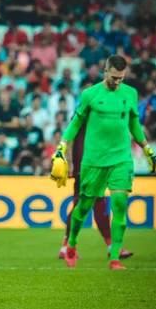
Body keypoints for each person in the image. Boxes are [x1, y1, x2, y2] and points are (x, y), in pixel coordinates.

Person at [50, 55, 156, 270]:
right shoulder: (90, 94)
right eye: (114, 77)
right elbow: (75, 123)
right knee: (83, 207)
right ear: (105, 72)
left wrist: (148, 149)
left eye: (121, 78)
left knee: (119, 206)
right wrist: (62, 147)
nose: (118, 82)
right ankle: (71, 244)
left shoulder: (130, 93)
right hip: (93, 160)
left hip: (121, 158)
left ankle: (114, 258)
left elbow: (134, 124)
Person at [58, 90, 133, 260]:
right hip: (85, 165)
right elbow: (69, 138)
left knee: (91, 203)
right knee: (89, 203)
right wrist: (70, 162)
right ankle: (107, 245)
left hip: (98, 164)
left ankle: (69, 246)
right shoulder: (82, 113)